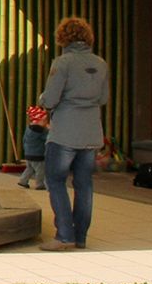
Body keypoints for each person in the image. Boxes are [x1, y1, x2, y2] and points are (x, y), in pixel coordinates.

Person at [37, 16, 109, 251]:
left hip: (65, 131)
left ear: (62, 38)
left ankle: (64, 234)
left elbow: (50, 99)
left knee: (55, 180)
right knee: (84, 183)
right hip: (91, 131)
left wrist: (42, 100)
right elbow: (104, 98)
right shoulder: (100, 63)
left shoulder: (63, 62)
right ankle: (80, 237)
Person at [18, 105, 49, 190]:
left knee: (29, 168)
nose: (46, 122)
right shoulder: (41, 131)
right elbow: (48, 138)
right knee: (41, 170)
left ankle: (22, 181)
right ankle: (40, 184)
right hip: (38, 155)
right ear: (38, 121)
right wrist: (49, 130)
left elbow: (24, 139)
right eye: (45, 120)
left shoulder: (28, 129)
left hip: (28, 154)